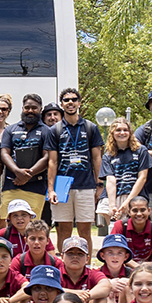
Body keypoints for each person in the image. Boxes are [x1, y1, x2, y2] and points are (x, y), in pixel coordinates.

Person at [48, 87, 103, 246]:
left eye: (74, 99)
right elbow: (52, 161)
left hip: (85, 186)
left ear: (79, 103)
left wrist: (99, 184)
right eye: (66, 100)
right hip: (62, 186)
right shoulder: (55, 130)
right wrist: (51, 189)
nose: (70, 102)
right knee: (63, 230)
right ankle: (63, 268)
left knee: (84, 231)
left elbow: (97, 157)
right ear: (62, 104)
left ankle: (86, 267)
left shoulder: (90, 127)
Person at [0, 93, 54, 218]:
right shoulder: (10, 130)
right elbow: (4, 153)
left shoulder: (47, 131)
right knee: (9, 227)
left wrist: (27, 175)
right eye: (27, 107)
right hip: (11, 186)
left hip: (35, 189)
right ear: (22, 108)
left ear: (40, 109)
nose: (30, 111)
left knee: (32, 227)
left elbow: (47, 157)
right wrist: (17, 171)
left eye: (34, 108)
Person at [99, 118, 150, 227]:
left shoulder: (141, 151)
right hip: (112, 196)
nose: (122, 133)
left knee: (132, 230)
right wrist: (113, 206)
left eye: (125, 130)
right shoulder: (108, 155)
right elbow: (110, 180)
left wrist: (128, 202)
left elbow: (142, 178)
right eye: (118, 130)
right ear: (112, 133)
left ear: (130, 132)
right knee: (114, 230)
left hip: (134, 195)